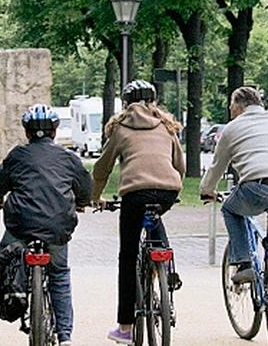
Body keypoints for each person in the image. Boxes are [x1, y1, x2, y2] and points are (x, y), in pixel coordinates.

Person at [0, 104, 92, 346]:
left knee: (6, 255)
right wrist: (83, 203)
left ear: (27, 133)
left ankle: (18, 290)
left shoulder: (17, 155)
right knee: (59, 275)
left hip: (21, 225)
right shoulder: (68, 158)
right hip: (58, 226)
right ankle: (65, 336)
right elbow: (84, 185)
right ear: (55, 132)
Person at [91, 80, 185, 345]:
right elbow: (180, 164)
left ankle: (125, 327)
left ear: (125, 103)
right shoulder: (167, 127)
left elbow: (102, 169)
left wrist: (95, 197)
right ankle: (163, 262)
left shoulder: (120, 128)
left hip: (135, 194)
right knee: (154, 215)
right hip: (167, 191)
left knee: (128, 255)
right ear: (153, 102)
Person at [199, 87, 268, 294]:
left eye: (231, 105)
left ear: (239, 106)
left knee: (231, 209)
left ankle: (244, 263)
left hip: (257, 188)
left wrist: (207, 190)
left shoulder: (231, 129)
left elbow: (217, 167)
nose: (230, 110)